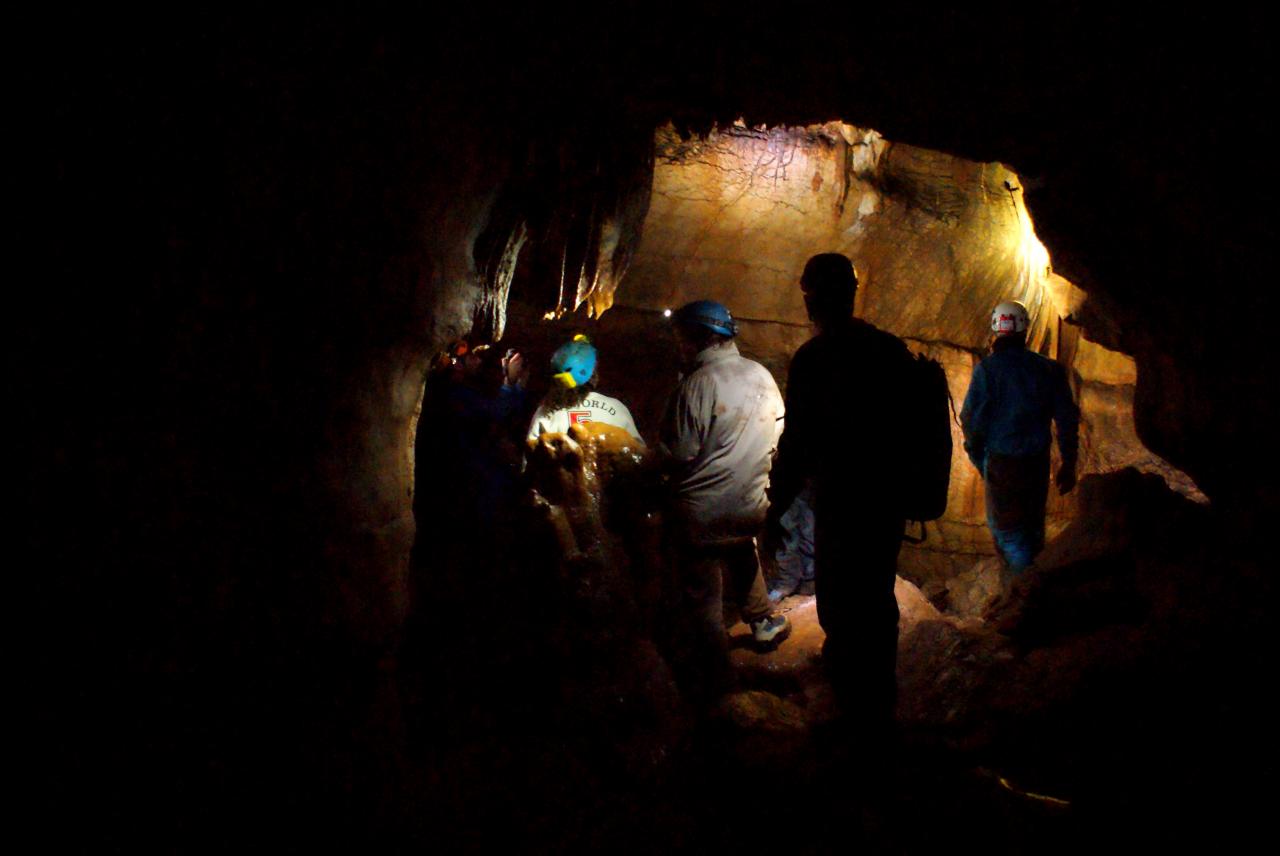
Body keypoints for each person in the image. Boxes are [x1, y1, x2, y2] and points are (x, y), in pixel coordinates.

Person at [768, 253, 915, 730]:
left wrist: (775, 508)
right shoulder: (890, 351)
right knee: (876, 599)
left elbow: (796, 446)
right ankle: (878, 710)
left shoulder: (814, 360)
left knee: (840, 601)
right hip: (884, 502)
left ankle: (851, 714)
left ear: (812, 299)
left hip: (841, 501)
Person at [659, 300, 790, 701]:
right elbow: (779, 439)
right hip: (752, 508)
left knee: (703, 596)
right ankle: (761, 621)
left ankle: (716, 678)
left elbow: (678, 453)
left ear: (700, 338)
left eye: (683, 339)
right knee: (740, 546)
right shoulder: (761, 375)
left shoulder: (697, 384)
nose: (679, 347)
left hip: (701, 516)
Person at [960, 300, 1079, 582]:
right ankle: (1030, 596)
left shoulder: (988, 371)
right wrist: (1068, 462)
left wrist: (979, 459)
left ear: (995, 330)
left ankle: (1020, 600)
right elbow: (1066, 418)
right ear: (1025, 330)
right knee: (1033, 531)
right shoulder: (1048, 370)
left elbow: (971, 420)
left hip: (1003, 463)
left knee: (1010, 536)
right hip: (1036, 463)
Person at [527, 334, 643, 445]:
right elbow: (640, 454)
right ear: (593, 371)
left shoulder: (546, 412)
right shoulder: (618, 409)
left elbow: (529, 457)